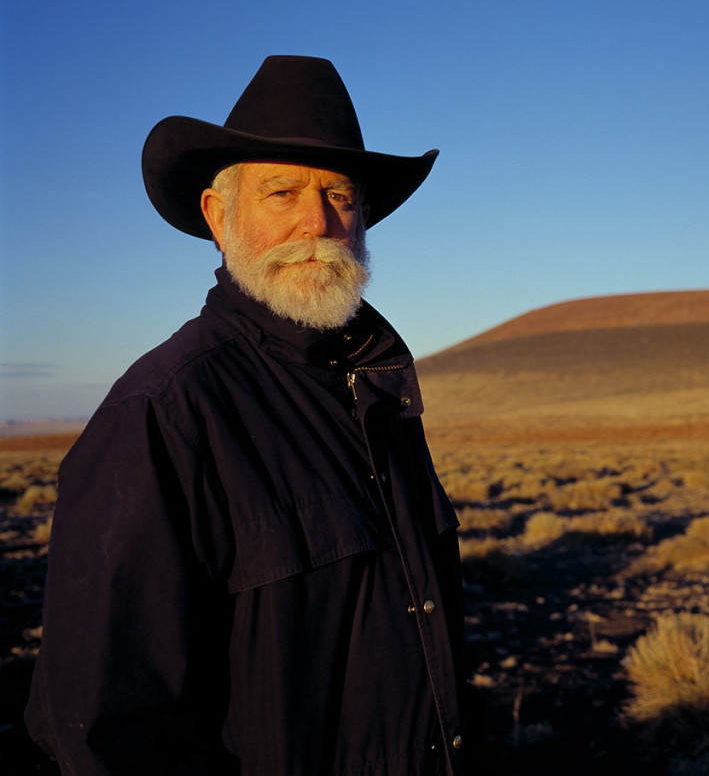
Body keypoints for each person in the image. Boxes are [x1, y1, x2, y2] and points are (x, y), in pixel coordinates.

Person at [26, 55, 473, 776]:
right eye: (281, 191)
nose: (317, 221)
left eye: (339, 194)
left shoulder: (379, 395)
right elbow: (105, 731)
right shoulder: (165, 412)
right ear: (217, 215)